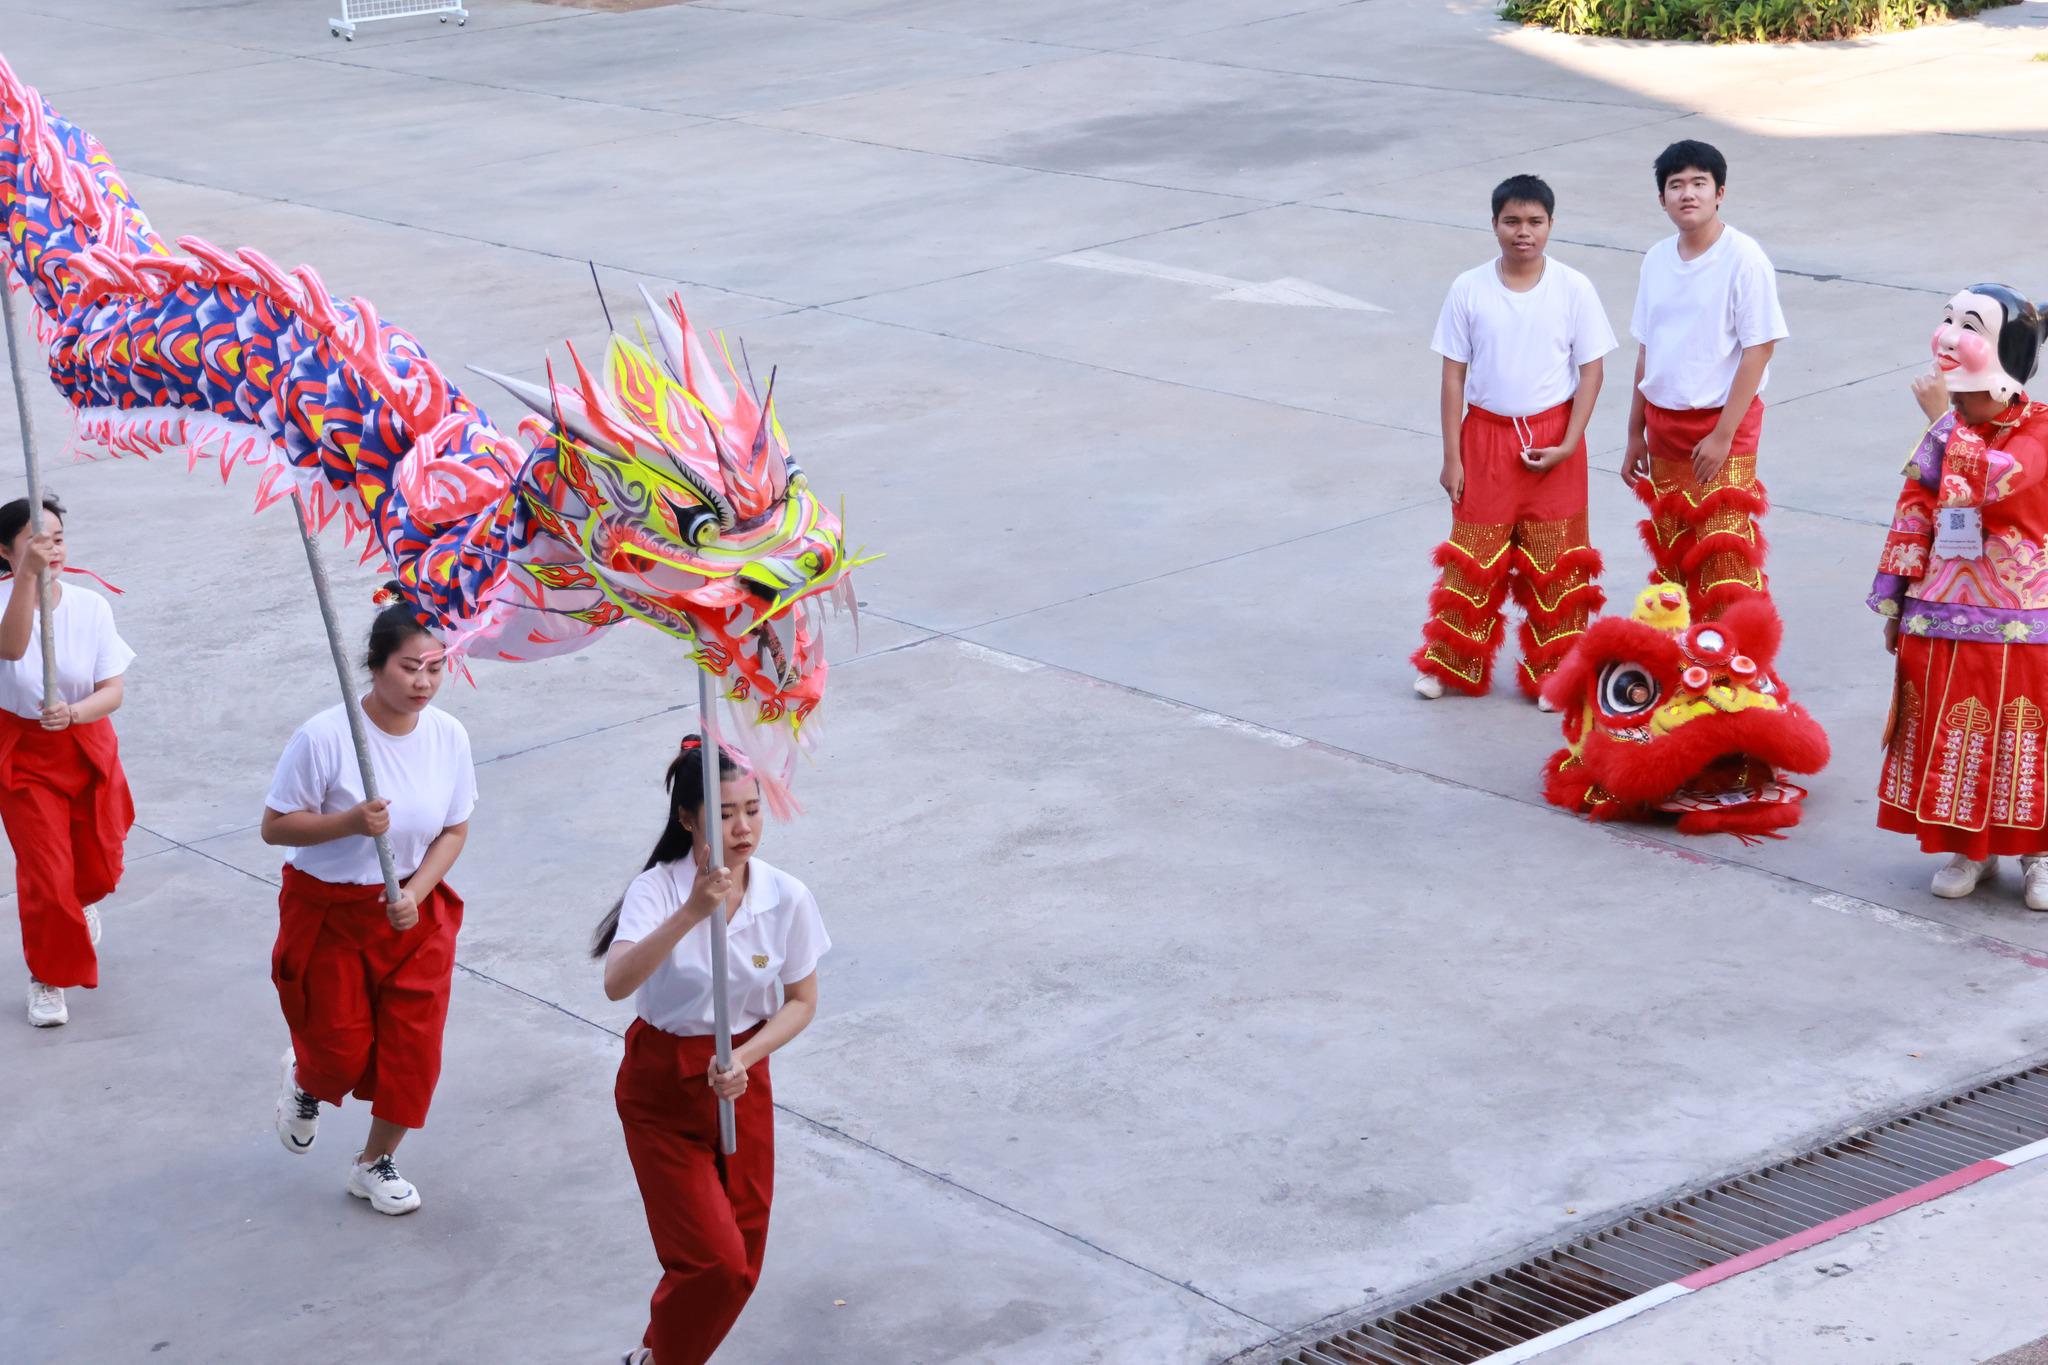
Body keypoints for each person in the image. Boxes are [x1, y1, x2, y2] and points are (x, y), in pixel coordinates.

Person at [595, 735, 828, 1365]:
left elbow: (802, 1001)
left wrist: (747, 1061)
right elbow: (617, 984)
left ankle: (657, 1353)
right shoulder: (658, 891)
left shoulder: (787, 897)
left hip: (740, 1079)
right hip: (662, 1085)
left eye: (752, 808)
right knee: (711, 1260)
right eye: (725, 813)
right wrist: (692, 912)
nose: (744, 826)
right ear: (688, 818)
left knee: (742, 1263)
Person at [262, 584, 475, 1215]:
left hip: (414, 912)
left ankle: (375, 1163)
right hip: (329, 910)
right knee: (339, 1051)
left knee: (413, 1053)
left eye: (436, 667)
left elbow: (455, 827)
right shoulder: (326, 737)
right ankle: (307, 1080)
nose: (423, 682)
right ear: (376, 665)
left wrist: (415, 891)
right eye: (410, 667)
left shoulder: (449, 737)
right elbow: (275, 826)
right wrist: (348, 822)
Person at [1872, 285, 2048, 904]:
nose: (1948, 333)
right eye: (1947, 320)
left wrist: (1943, 421)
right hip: (1942, 606)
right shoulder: (1951, 430)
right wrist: (1897, 601)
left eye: (1966, 325)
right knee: (1955, 730)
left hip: (2020, 615)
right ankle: (1969, 850)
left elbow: (2005, 485)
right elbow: (1915, 508)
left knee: (2021, 730)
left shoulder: (2039, 429)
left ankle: (2038, 852)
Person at [1414, 172, 1615, 704]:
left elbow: (1591, 371)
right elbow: (1453, 374)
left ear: (1550, 225)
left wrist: (1570, 444)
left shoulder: (1574, 287)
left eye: (1534, 222)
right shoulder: (1468, 288)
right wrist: (1451, 458)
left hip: (1555, 438)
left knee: (1557, 562)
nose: (1522, 232)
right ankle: (1450, 665)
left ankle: (1558, 674)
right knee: (1473, 558)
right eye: (1512, 222)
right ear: (1495, 224)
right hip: (1485, 439)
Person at [1621, 139, 1788, 621]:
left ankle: (1736, 660)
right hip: (1664, 425)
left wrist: (1722, 434)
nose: (1687, 194)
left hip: (1723, 426)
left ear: (1720, 193)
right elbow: (1646, 348)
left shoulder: (1744, 257)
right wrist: (1635, 432)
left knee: (1726, 550)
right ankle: (1687, 658)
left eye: (1699, 184)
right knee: (1676, 546)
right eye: (1676, 185)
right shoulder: (1656, 258)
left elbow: (1759, 348)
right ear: (1661, 199)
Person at [0, 494, 134, 1027]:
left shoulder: (90, 606)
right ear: (6, 552)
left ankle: (81, 901)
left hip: (85, 739)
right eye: (36, 541)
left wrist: (75, 712)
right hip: (25, 755)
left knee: (97, 862)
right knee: (46, 875)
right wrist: (27, 583)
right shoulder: (3, 601)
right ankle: (48, 978)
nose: (51, 549)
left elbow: (113, 690)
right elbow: (10, 649)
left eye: (56, 538)